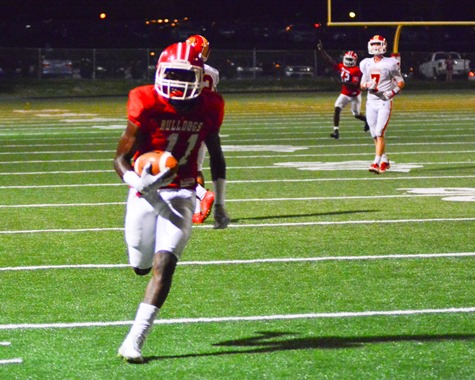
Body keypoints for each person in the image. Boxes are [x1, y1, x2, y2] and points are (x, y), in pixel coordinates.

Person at [114, 41, 230, 363]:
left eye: (186, 76)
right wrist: (140, 182)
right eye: (174, 75)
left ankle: (134, 340)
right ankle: (140, 264)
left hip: (181, 193)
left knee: (165, 265)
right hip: (143, 191)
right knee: (141, 265)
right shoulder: (145, 100)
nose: (179, 83)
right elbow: (120, 158)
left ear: (199, 75)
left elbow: (217, 157)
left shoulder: (209, 105)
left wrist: (219, 202)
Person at [185, 34, 219, 224]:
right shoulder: (213, 72)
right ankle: (197, 210)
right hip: (207, 122)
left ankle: (202, 194)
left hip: (189, 122)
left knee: (174, 166)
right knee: (196, 168)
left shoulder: (186, 68)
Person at [359, 35, 405, 174]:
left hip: (384, 101)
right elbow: (361, 85)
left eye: (378, 44)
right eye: (373, 44)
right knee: (374, 133)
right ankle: (384, 160)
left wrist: (392, 92)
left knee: (379, 132)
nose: (375, 46)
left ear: (384, 45)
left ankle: (375, 163)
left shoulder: (390, 63)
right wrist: (366, 85)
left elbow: (401, 82)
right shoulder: (366, 63)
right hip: (371, 102)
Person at [317, 40, 369, 139]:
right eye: (348, 59)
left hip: (355, 95)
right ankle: (336, 131)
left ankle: (367, 120)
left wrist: (341, 83)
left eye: (351, 59)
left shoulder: (356, 70)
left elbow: (354, 84)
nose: (349, 61)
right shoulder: (342, 66)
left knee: (357, 115)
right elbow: (330, 61)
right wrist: (322, 51)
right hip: (345, 93)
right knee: (337, 108)